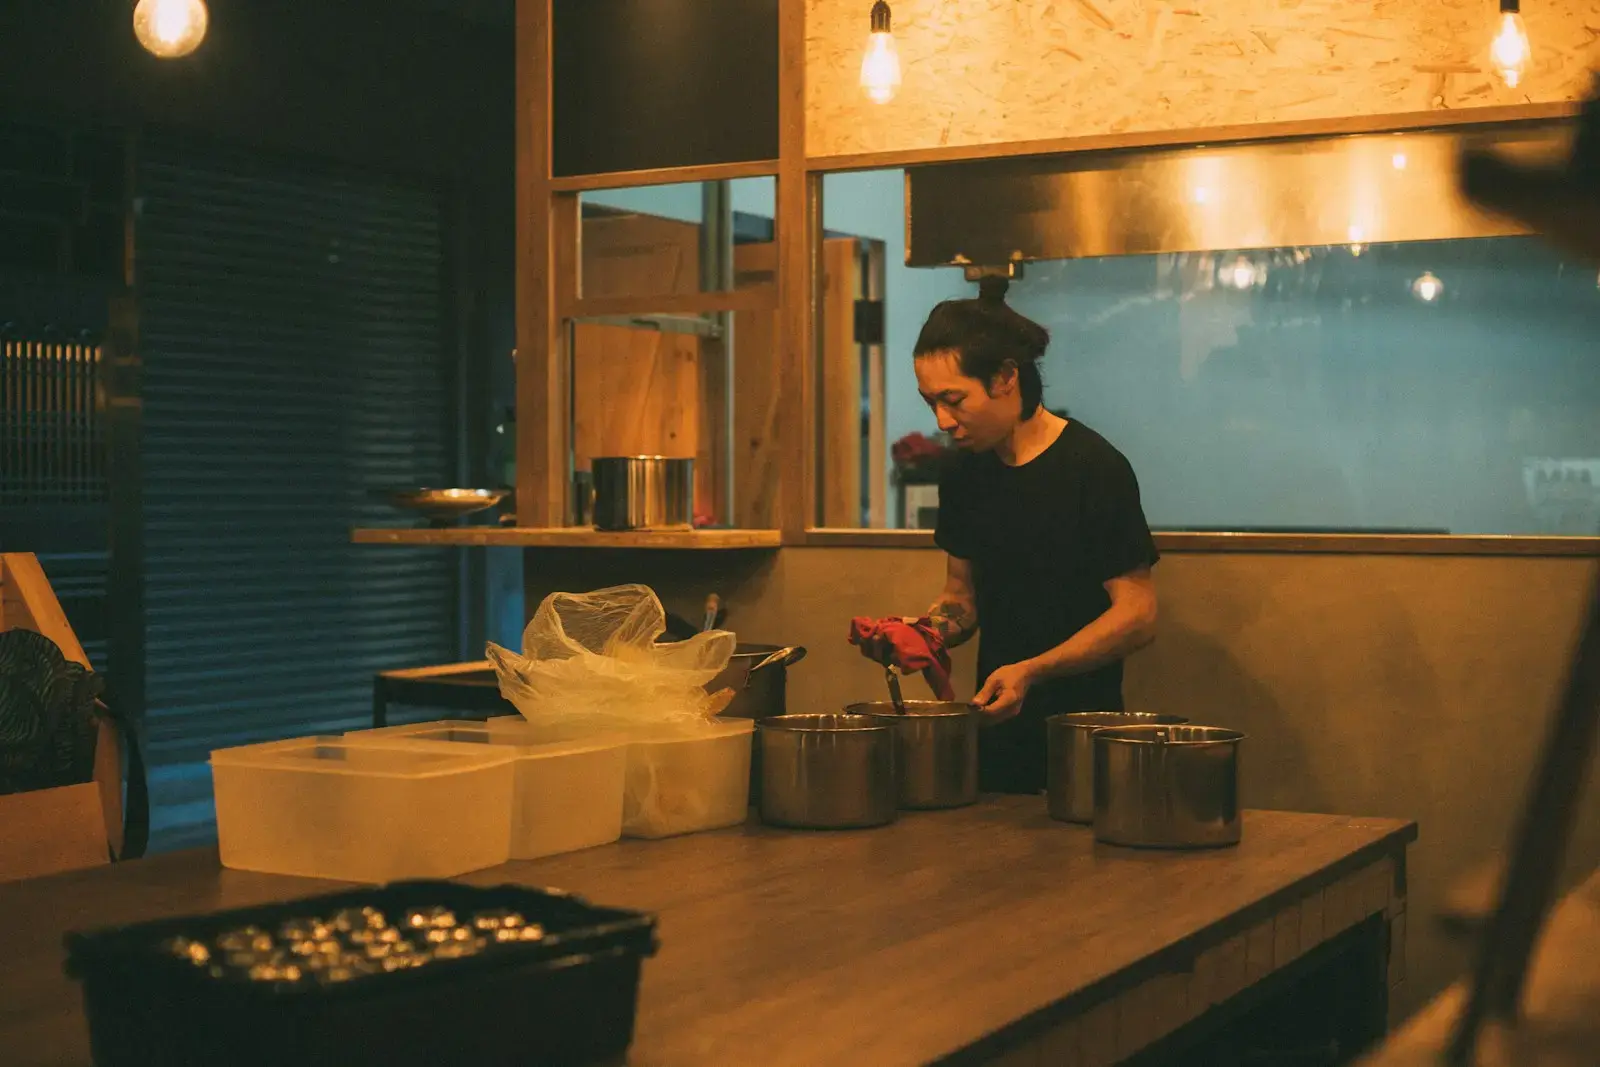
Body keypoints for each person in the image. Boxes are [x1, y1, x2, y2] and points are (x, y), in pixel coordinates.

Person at [866, 276, 1161, 794]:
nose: (942, 420)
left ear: (1006, 378)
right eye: (930, 401)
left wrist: (1032, 670)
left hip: (1081, 735)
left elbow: (1137, 615)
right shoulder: (964, 473)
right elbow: (961, 599)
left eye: (954, 399)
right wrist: (922, 634)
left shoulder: (1093, 467)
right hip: (996, 729)